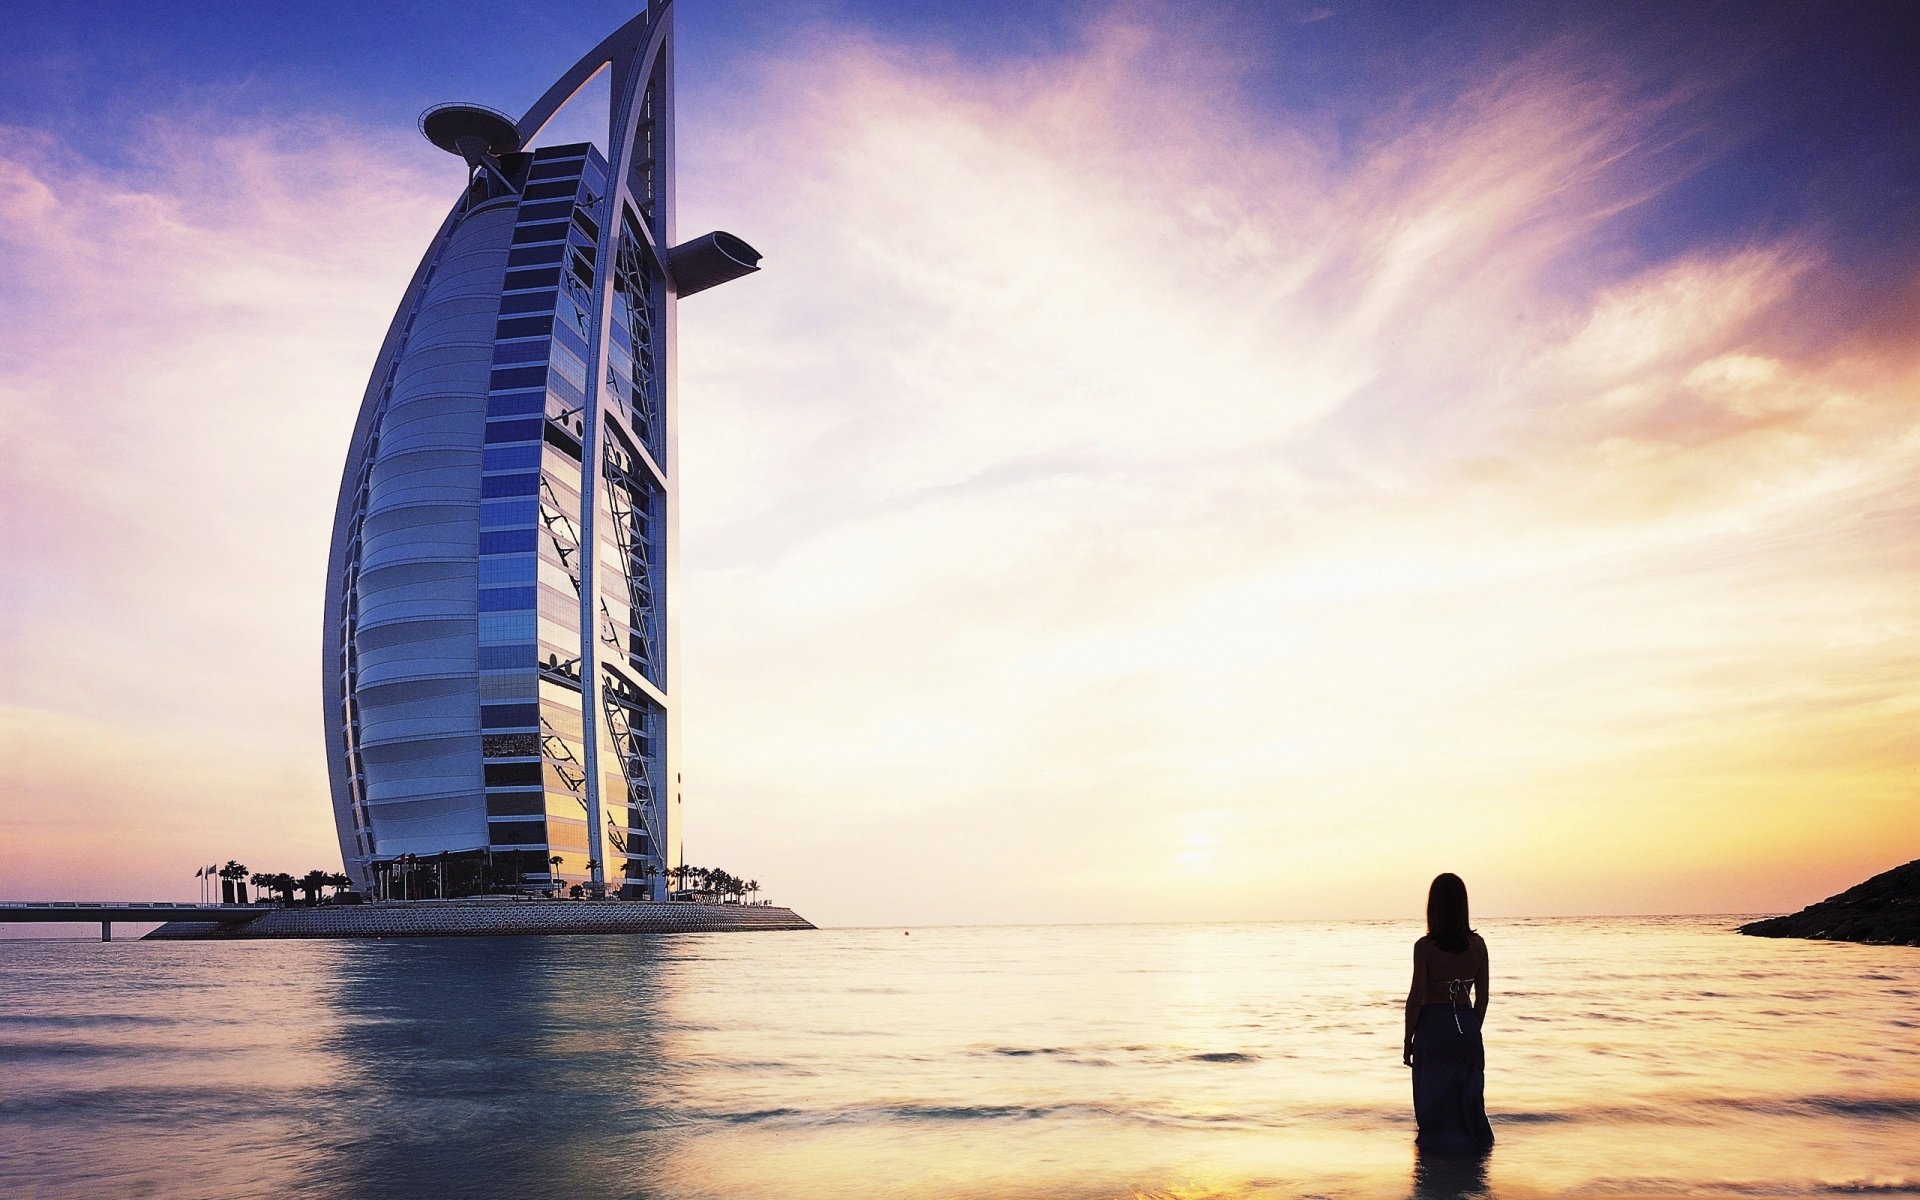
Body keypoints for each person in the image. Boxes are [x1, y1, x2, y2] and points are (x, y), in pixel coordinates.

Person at [1403, 872, 1494, 1154]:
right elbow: (1483, 998)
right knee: (1467, 1096)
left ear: (1434, 907)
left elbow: (1416, 996)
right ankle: (1470, 1162)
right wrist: (1469, 1030)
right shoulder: (1478, 946)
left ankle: (1437, 1167)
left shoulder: (1425, 948)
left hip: (1432, 1027)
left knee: (1433, 1096)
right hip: (1466, 1026)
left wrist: (1408, 1040)